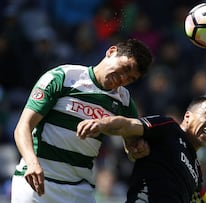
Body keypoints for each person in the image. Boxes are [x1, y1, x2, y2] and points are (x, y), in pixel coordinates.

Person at [11, 38, 153, 203]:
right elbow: (23, 127)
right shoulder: (63, 77)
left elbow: (132, 147)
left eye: (131, 78)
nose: (123, 78)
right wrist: (32, 163)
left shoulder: (125, 102)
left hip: (80, 191)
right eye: (125, 68)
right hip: (36, 183)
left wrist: (137, 149)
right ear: (111, 51)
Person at [77, 94, 206, 203]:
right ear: (187, 116)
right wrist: (101, 124)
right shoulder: (169, 129)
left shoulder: (196, 170)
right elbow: (128, 125)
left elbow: (204, 201)